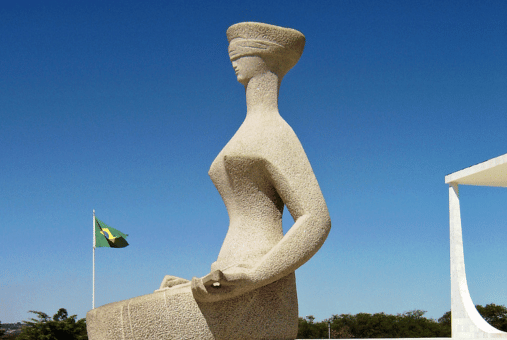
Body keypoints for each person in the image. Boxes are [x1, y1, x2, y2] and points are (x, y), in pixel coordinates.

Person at [87, 22, 330, 340]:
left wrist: (255, 276)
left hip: (259, 288)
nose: (234, 59)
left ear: (267, 57)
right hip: (229, 277)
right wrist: (198, 281)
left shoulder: (276, 132)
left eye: (243, 51)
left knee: (111, 328)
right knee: (104, 323)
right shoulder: (248, 131)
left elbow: (316, 219)